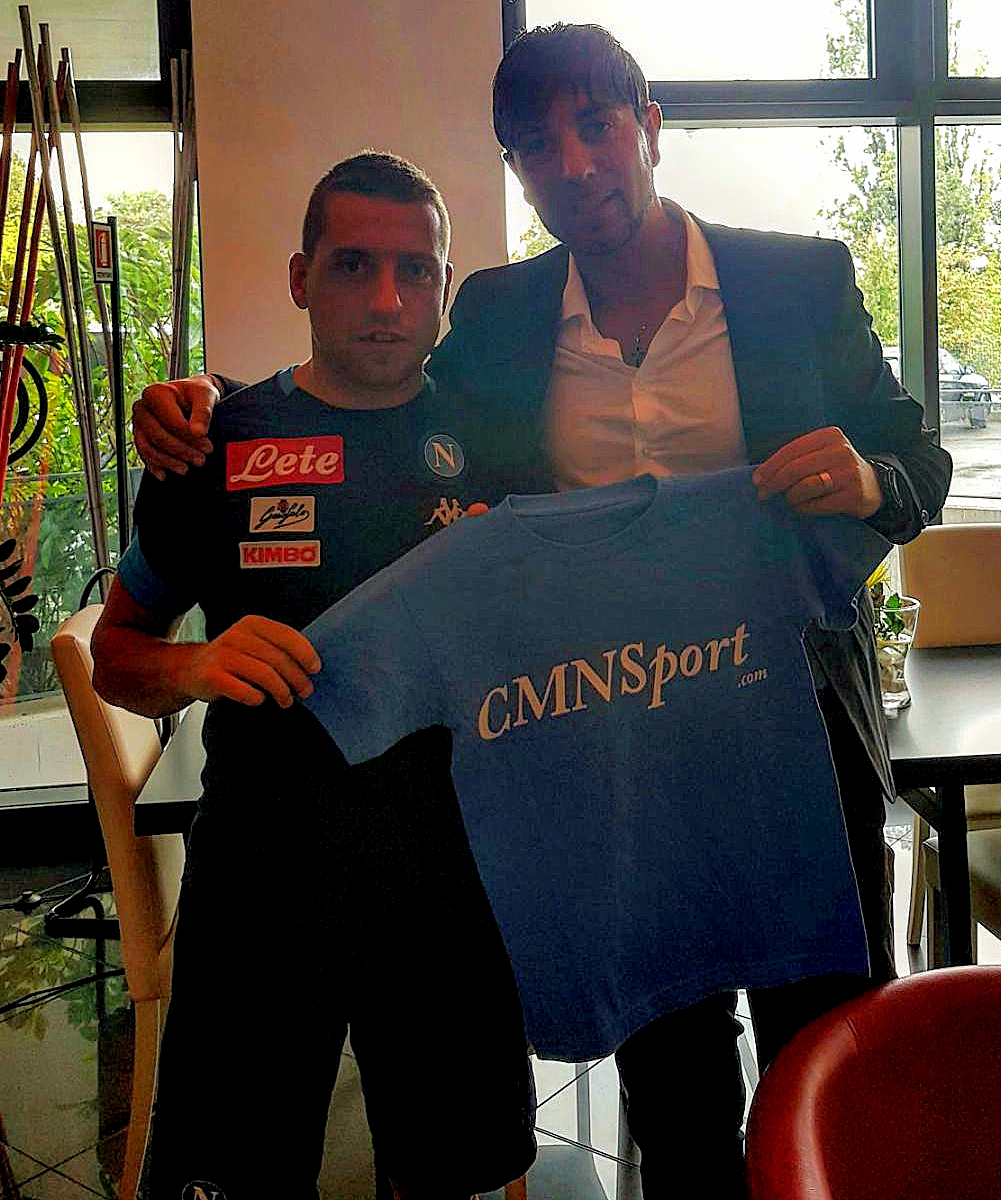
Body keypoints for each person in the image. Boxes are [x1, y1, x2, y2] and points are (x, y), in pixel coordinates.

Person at [132, 24, 953, 1197]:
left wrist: (874, 480)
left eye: (597, 126)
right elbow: (368, 392)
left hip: (793, 736)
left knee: (830, 1052)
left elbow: (920, 459)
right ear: (514, 170)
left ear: (649, 128)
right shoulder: (504, 316)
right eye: (535, 145)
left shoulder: (798, 280)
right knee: (673, 1072)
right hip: (614, 740)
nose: (573, 164)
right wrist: (213, 407)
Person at [92, 152, 535, 1200]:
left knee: (448, 1175)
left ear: (445, 285)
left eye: (415, 271)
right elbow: (116, 653)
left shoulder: (500, 443)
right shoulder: (217, 445)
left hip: (450, 871)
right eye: (351, 266)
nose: (386, 301)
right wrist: (196, 664)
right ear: (300, 278)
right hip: (262, 872)